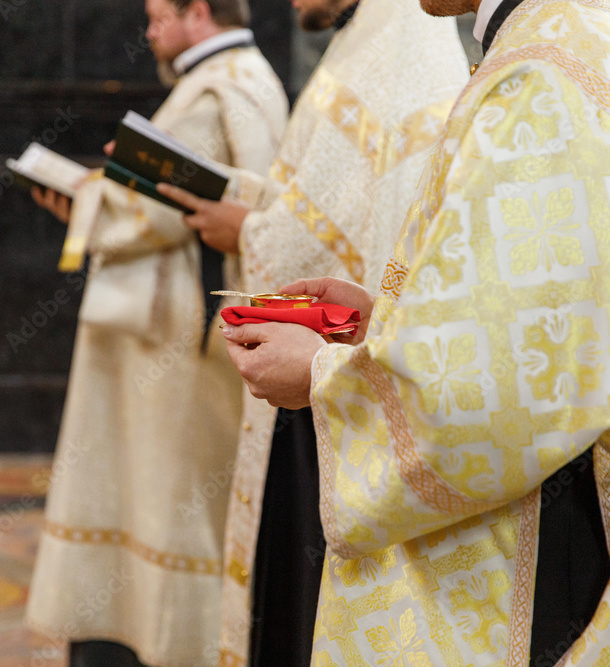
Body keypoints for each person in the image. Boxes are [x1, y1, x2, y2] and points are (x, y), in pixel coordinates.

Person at [215, 0, 610, 664]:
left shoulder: (540, 78)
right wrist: (389, 325)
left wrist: (321, 377)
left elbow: (500, 402)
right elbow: (553, 325)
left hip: (536, 554)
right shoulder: (580, 41)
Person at [157, 0, 470, 663]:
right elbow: (315, 197)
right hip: (327, 358)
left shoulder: (399, 47)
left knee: (300, 601)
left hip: (333, 371)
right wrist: (248, 204)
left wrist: (244, 228)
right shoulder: (369, 36)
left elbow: (332, 232)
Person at [24, 1, 288, 665]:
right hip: (190, 335)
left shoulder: (212, 90)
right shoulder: (254, 77)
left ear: (198, 11)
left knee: (158, 499)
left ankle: (147, 644)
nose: (149, 32)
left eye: (157, 15)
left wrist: (85, 197)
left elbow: (154, 214)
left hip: (170, 346)